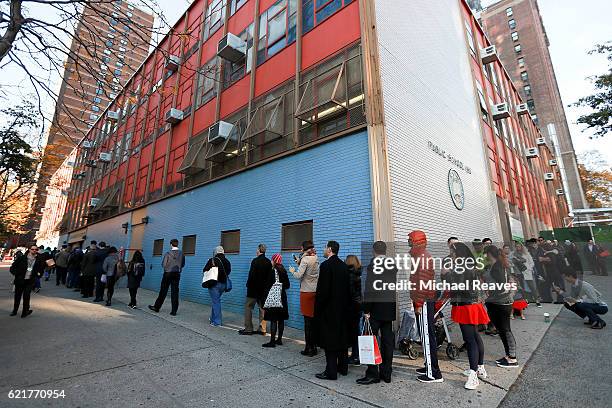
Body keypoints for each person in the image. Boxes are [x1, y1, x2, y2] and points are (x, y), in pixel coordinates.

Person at [442, 242, 490, 390]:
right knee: (475, 337)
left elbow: (458, 286)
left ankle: (473, 375)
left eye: (453, 253)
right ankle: (479, 367)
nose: (451, 255)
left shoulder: (461, 268)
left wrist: (446, 274)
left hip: (466, 306)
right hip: (470, 305)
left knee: (470, 340)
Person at [357, 241, 397, 385]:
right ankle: (387, 373)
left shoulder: (373, 266)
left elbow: (370, 290)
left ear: (374, 251)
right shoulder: (393, 266)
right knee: (387, 342)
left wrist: (366, 309)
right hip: (388, 308)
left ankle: (373, 373)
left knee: (371, 342)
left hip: (375, 310)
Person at [314, 241, 351, 381]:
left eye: (325, 247)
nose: (323, 250)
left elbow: (322, 291)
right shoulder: (343, 266)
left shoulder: (325, 265)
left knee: (329, 342)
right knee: (341, 339)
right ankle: (343, 367)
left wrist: (318, 309)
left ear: (329, 249)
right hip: (342, 309)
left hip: (329, 310)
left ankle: (331, 372)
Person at [410, 230, 443, 384]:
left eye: (410, 239)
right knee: (425, 336)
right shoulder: (420, 256)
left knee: (427, 336)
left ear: (417, 241)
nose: (408, 242)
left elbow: (422, 282)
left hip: (423, 301)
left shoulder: (422, 257)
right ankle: (429, 366)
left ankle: (433, 373)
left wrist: (418, 304)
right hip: (424, 301)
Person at [484, 245, 519, 368]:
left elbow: (501, 286)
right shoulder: (496, 266)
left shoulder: (497, 267)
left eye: (486, 253)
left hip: (501, 303)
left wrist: (488, 292)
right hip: (498, 302)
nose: (485, 256)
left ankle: (512, 358)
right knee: (502, 330)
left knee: (505, 330)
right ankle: (509, 356)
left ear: (489, 254)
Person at [289, 240, 320, 356]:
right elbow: (309, 271)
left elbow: (298, 275)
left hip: (306, 292)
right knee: (313, 321)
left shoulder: (305, 259)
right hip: (314, 291)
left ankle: (309, 348)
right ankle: (315, 346)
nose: (300, 249)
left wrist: (293, 271)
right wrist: (299, 261)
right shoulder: (315, 257)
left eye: (301, 248)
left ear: (304, 248)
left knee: (307, 322)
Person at [239, 244, 270, 335]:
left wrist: (248, 286)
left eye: (257, 249)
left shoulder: (255, 261)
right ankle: (262, 329)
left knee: (248, 307)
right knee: (262, 309)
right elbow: (269, 278)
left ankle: (248, 329)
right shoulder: (268, 262)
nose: (256, 251)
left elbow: (251, 276)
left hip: (253, 290)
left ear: (259, 250)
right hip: (263, 291)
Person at [149, 239, 185, 316]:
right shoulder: (181, 253)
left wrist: (167, 268)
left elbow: (163, 264)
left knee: (163, 291)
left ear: (171, 244)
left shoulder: (168, 253)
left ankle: (157, 307)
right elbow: (183, 264)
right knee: (175, 292)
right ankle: (174, 311)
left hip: (168, 273)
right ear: (177, 244)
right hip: (176, 274)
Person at [262, 254, 290, 347]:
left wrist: (265, 299)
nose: (271, 261)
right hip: (282, 298)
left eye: (272, 260)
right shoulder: (284, 271)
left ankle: (272, 341)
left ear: (274, 261)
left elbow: (267, 287)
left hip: (274, 298)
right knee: (281, 320)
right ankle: (279, 340)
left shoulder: (272, 272)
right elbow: (287, 285)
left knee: (273, 320)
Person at [9, 245, 45, 318]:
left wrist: (38, 276)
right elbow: (12, 267)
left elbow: (41, 269)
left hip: (30, 281)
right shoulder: (22, 258)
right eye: (32, 249)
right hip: (20, 280)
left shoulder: (38, 259)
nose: (34, 250)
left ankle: (24, 312)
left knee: (26, 297)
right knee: (17, 297)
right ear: (29, 250)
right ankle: (15, 311)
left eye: (36, 249)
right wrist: (17, 274)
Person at [203, 246, 231, 326]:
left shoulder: (212, 260)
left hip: (214, 284)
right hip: (223, 285)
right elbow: (228, 271)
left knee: (216, 302)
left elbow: (204, 270)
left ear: (215, 252)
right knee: (216, 301)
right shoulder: (227, 261)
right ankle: (212, 318)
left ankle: (217, 322)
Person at [511, 241, 541, 307]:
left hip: (527, 272)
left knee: (532, 286)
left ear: (521, 246)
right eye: (516, 246)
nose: (518, 247)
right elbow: (513, 264)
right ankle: (526, 300)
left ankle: (537, 300)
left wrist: (529, 269)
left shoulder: (526, 254)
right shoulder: (514, 254)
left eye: (519, 246)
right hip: (519, 272)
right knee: (522, 287)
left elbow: (532, 262)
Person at [346, 254, 362, 365]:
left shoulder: (350, 275)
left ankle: (354, 356)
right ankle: (356, 355)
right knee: (356, 331)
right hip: (358, 307)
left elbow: (350, 293)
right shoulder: (360, 273)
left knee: (352, 333)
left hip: (351, 307)